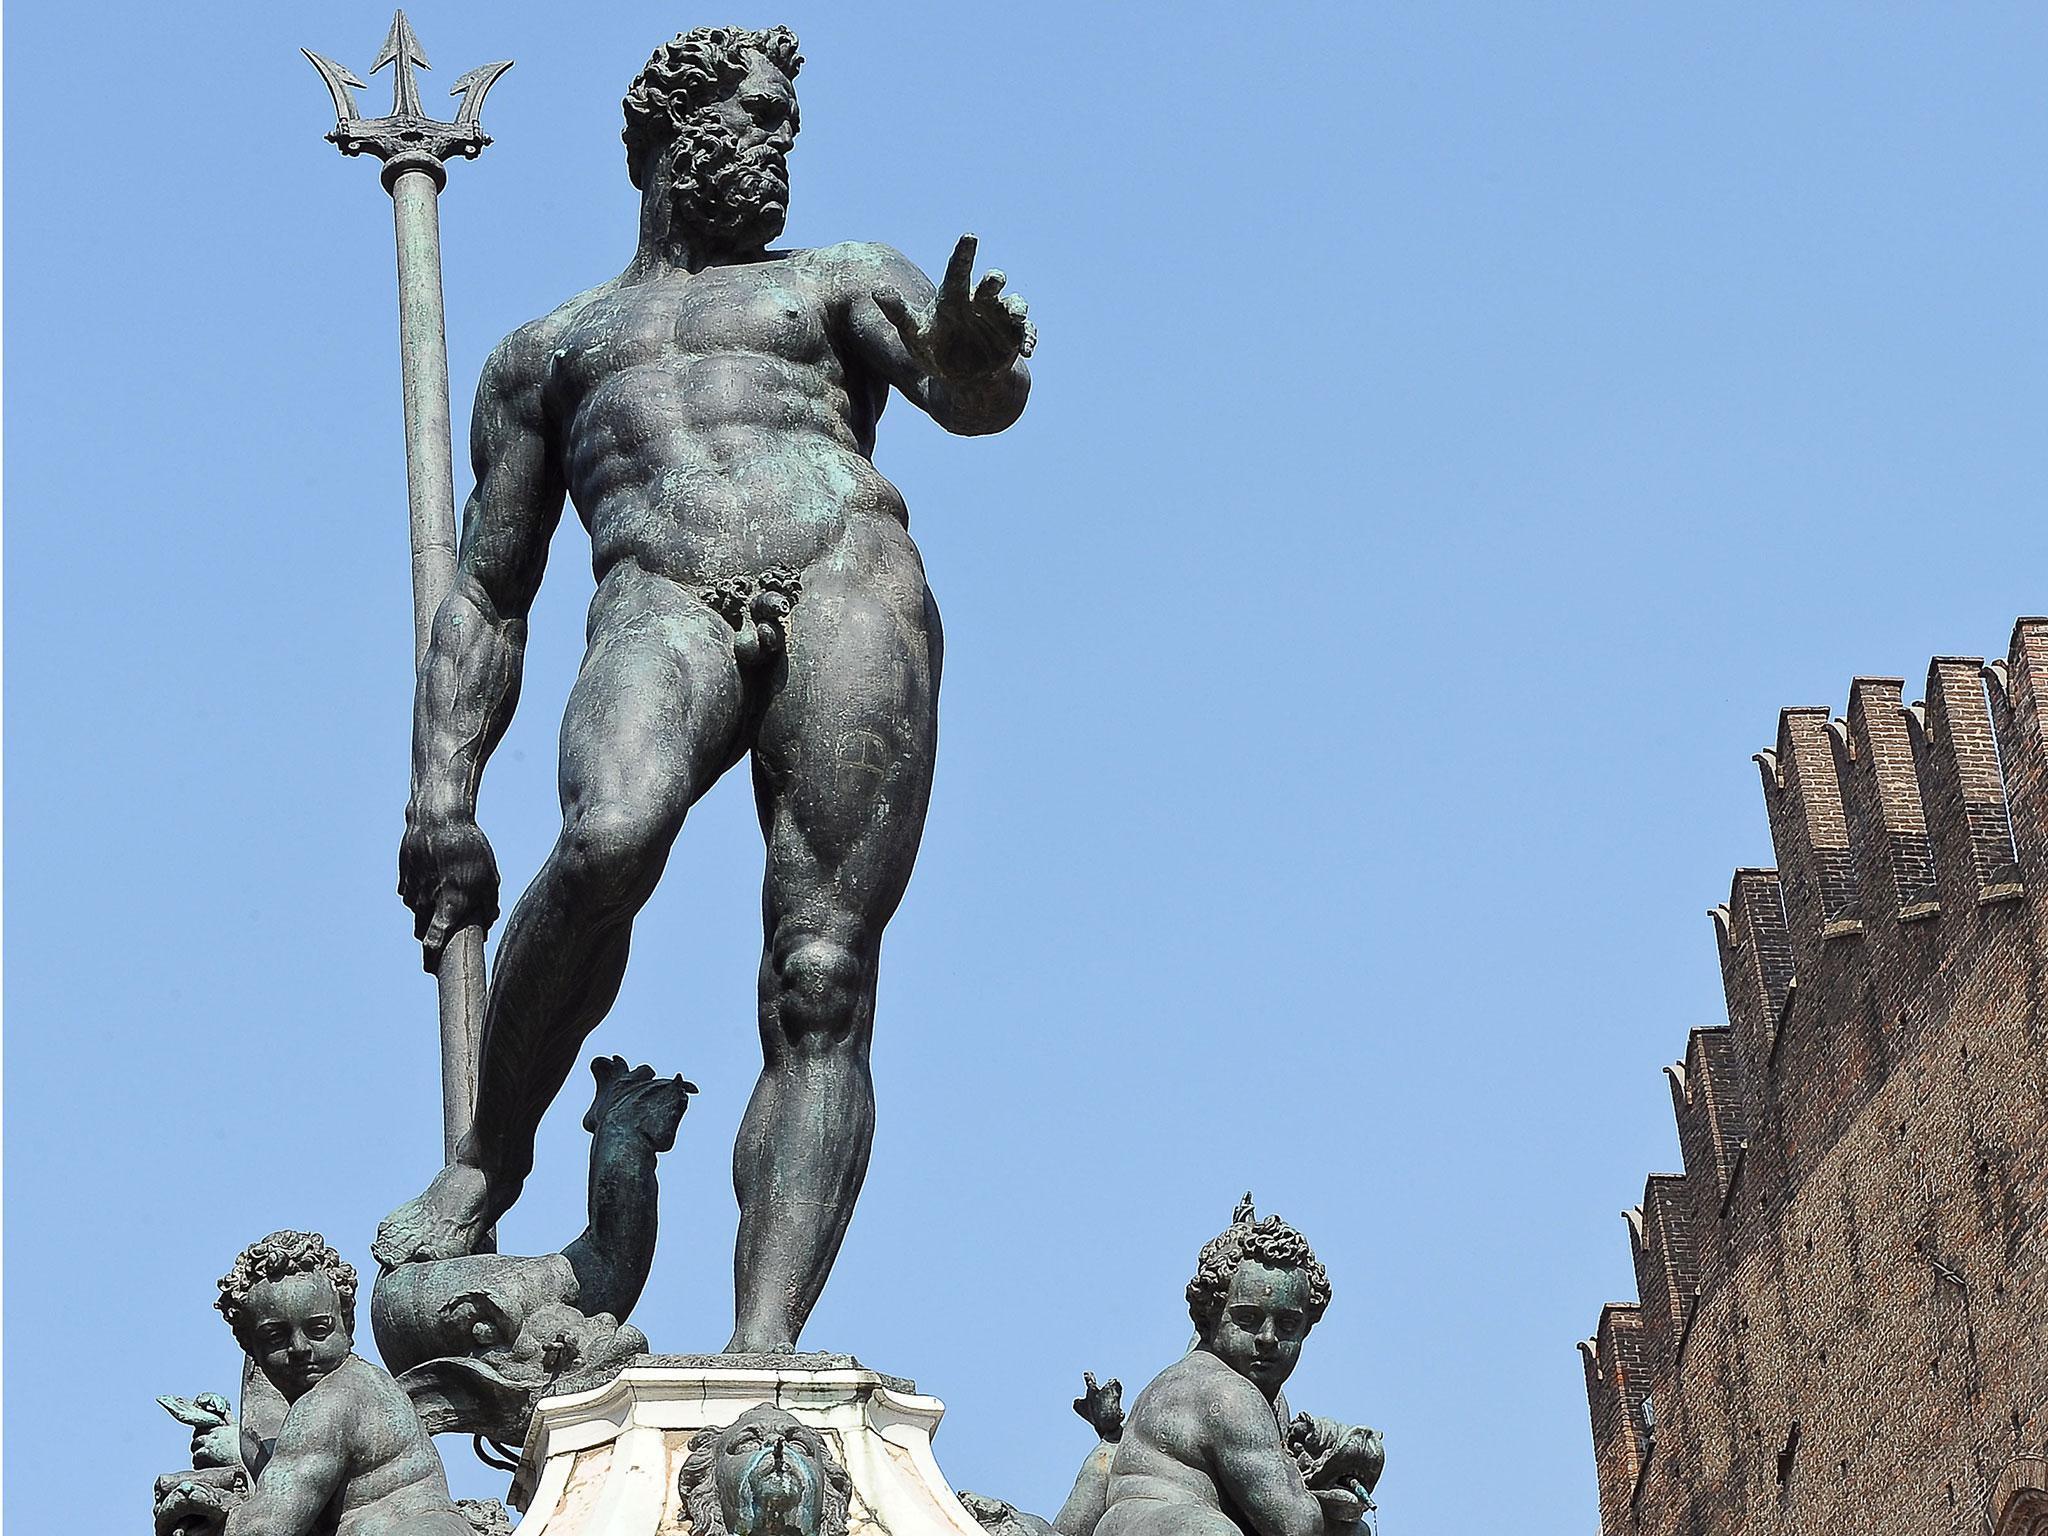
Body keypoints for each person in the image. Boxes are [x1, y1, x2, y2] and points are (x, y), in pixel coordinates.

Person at [373, 23, 1034, 1356]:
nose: (785, 141)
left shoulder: (841, 278)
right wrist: (443, 790)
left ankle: (764, 1349)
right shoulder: (549, 351)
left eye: (792, 123)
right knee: (608, 835)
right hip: (660, 595)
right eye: (764, 116)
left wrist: (975, 360)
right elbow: (492, 590)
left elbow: (966, 391)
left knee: (820, 972)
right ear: (677, 131)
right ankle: (489, 1160)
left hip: (847, 577)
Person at [1089, 1203, 1383, 1536]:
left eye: (1287, 1324)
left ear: (1306, 1328)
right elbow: (1294, 1525)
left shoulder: (1249, 1391)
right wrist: (1327, 1493)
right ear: (1210, 1319)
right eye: (1247, 1319)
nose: (1268, 1338)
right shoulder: (1229, 1395)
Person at [170, 1231, 473, 1536]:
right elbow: (290, 1459)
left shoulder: (334, 1400)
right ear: (251, 1347)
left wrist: (207, 1515)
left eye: (318, 1329)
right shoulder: (363, 1383)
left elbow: (268, 1528)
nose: (300, 1348)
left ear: (347, 1323)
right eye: (276, 1338)